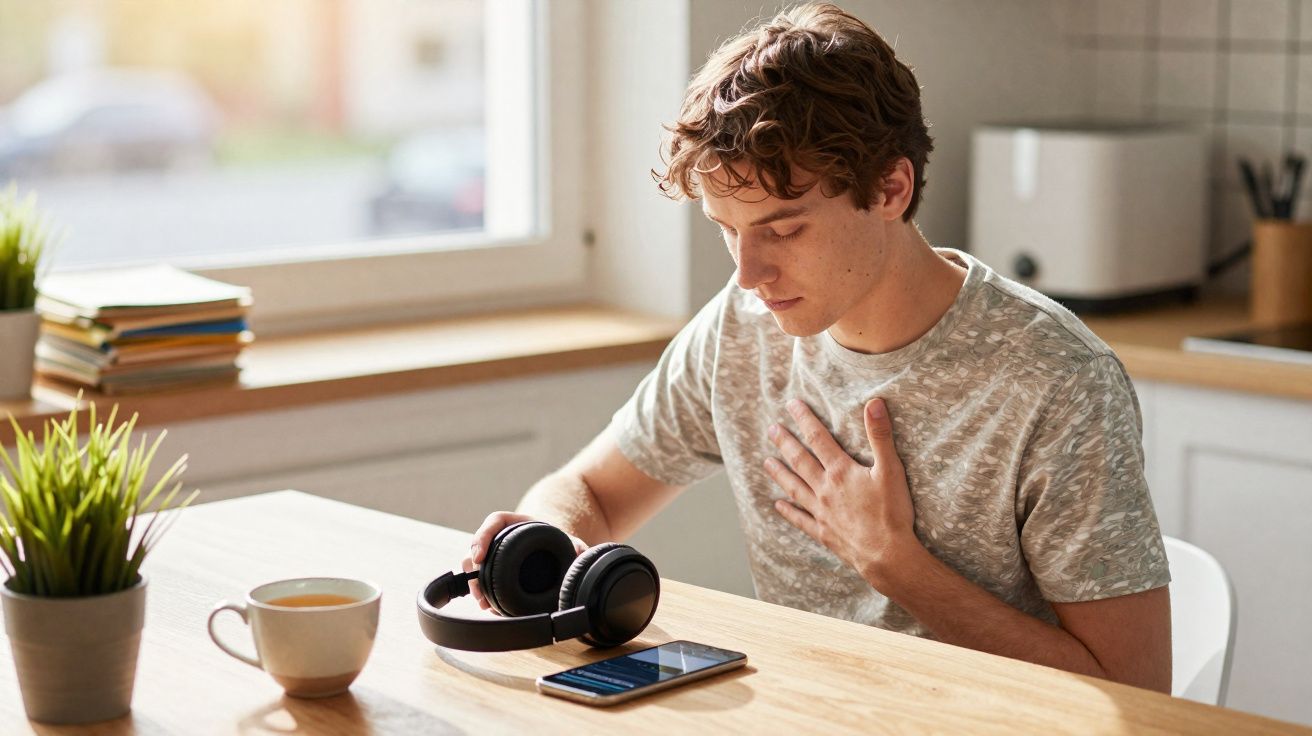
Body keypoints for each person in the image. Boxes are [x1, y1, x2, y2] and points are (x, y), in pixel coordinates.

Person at [461, 2, 1172, 692]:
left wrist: (896, 564)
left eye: (784, 229)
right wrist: (549, 539)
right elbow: (586, 490)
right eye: (726, 228)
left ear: (891, 187)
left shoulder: (1056, 380)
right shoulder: (741, 329)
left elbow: (1136, 691)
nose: (747, 274)